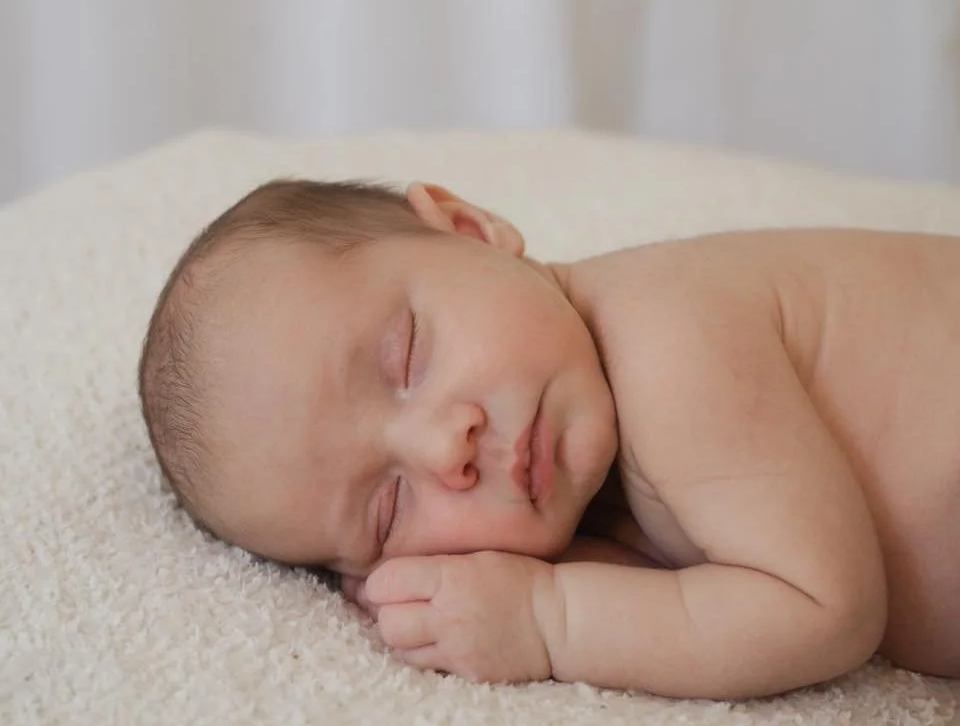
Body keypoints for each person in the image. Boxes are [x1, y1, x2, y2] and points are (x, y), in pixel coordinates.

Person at [138, 177, 960, 699]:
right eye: (388, 509)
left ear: (468, 227)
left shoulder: (669, 337)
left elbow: (822, 612)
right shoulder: (593, 486)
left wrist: (547, 617)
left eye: (407, 356)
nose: (444, 451)